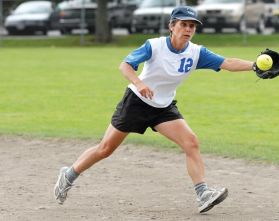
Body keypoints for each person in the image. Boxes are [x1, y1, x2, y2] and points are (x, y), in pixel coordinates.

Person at [54, 6, 255, 213]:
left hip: (163, 107)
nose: (188, 29)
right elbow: (125, 65)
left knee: (191, 142)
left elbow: (228, 63)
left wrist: (256, 65)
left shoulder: (196, 53)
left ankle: (203, 193)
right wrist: (139, 83)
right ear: (171, 26)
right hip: (136, 103)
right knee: (106, 149)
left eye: (192, 26)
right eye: (183, 24)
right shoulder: (155, 46)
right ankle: (69, 174)